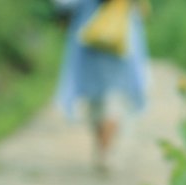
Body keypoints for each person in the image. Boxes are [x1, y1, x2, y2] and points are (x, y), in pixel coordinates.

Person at [54, 0, 149, 172]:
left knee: (96, 99)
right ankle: (105, 150)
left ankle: (102, 148)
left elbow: (65, 5)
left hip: (89, 32)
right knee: (115, 97)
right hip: (122, 35)